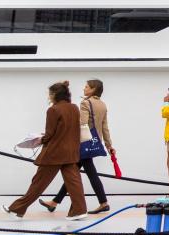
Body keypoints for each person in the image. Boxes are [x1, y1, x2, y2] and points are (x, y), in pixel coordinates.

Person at [4, 81, 87, 218]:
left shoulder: (53, 110)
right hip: (71, 152)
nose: (48, 96)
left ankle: (17, 208)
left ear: (55, 94)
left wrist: (39, 139)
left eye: (50, 94)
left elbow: (50, 134)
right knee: (74, 182)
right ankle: (79, 210)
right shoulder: (73, 108)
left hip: (54, 154)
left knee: (38, 182)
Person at [38, 79, 115, 215]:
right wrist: (109, 145)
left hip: (82, 143)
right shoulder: (102, 105)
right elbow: (105, 127)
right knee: (77, 173)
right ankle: (56, 202)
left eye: (86, 87)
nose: (84, 89)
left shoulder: (86, 103)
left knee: (73, 174)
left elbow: (82, 123)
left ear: (93, 90)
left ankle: (102, 203)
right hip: (93, 142)